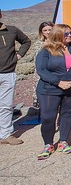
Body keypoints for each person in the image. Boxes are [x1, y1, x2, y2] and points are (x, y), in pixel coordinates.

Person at [35, 24, 71, 159]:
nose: (70, 35)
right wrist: (58, 82)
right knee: (48, 117)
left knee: (67, 114)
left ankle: (63, 142)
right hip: (49, 89)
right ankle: (48, 144)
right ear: (57, 35)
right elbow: (41, 70)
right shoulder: (46, 51)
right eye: (66, 33)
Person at [0, 9, 31, 145]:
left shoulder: (11, 30)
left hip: (8, 73)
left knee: (6, 105)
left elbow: (26, 41)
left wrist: (18, 56)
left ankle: (5, 134)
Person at [31, 21, 54, 109]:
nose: (48, 32)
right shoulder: (38, 45)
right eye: (45, 30)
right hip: (40, 75)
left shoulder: (60, 43)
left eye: (50, 30)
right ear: (41, 32)